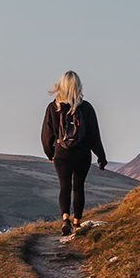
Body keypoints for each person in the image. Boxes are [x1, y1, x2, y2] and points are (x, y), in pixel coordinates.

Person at [40, 70, 107, 236]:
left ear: (61, 85)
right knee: (78, 187)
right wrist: (101, 156)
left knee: (64, 186)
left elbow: (46, 134)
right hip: (82, 153)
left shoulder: (53, 107)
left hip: (62, 153)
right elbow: (94, 135)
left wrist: (50, 153)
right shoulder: (86, 108)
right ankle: (77, 222)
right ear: (78, 86)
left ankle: (65, 219)